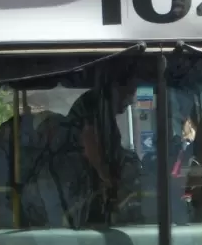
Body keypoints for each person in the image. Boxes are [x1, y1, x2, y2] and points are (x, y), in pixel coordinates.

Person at [60, 69, 143, 226]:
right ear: (118, 87)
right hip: (79, 183)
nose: (131, 99)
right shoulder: (95, 104)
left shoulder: (107, 112)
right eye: (130, 92)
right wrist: (105, 177)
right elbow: (88, 140)